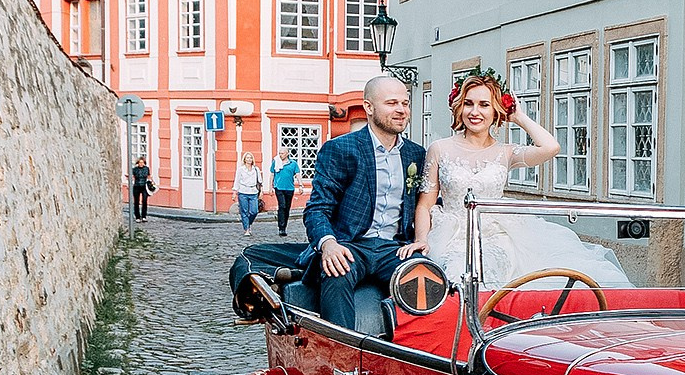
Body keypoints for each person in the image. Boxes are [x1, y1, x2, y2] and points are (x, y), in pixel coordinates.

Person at [415, 71, 630, 290]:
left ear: (496, 110)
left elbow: (550, 147)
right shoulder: (440, 148)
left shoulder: (506, 152)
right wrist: (421, 239)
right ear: (459, 107)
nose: (475, 112)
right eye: (469, 104)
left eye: (484, 105)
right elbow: (425, 204)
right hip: (450, 236)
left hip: (497, 236)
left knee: (498, 275)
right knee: (456, 277)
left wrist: (519, 117)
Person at [300, 76, 428, 329]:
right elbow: (317, 208)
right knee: (336, 273)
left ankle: (413, 359)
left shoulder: (416, 154)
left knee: (426, 280)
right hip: (350, 244)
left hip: (394, 247)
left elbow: (427, 205)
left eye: (405, 103)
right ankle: (341, 354)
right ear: (369, 107)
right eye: (392, 103)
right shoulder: (342, 149)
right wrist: (329, 244)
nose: (401, 110)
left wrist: (420, 240)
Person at [269, 147, 300, 237]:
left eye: (282, 153)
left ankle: (284, 226)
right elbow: (272, 175)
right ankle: (281, 228)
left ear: (287, 154)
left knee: (287, 208)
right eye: (279, 153)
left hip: (289, 188)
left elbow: (297, 174)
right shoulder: (276, 162)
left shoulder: (293, 163)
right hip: (278, 187)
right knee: (282, 206)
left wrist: (301, 185)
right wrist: (270, 187)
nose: (280, 155)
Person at [233, 152, 263, 233]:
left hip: (253, 192)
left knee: (254, 211)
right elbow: (237, 181)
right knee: (244, 211)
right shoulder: (240, 169)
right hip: (243, 192)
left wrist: (261, 192)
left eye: (250, 158)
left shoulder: (256, 169)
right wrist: (234, 192)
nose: (249, 159)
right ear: (245, 159)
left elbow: (260, 182)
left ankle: (248, 223)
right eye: (247, 158)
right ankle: (246, 229)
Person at [129, 156, 152, 221]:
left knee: (144, 201)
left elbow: (149, 176)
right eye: (140, 162)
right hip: (136, 186)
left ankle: (144, 216)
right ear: (138, 163)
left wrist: (151, 182)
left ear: (144, 163)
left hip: (144, 187)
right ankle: (137, 217)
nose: (141, 164)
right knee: (136, 202)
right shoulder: (135, 169)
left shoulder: (146, 169)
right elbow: (132, 176)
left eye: (142, 162)